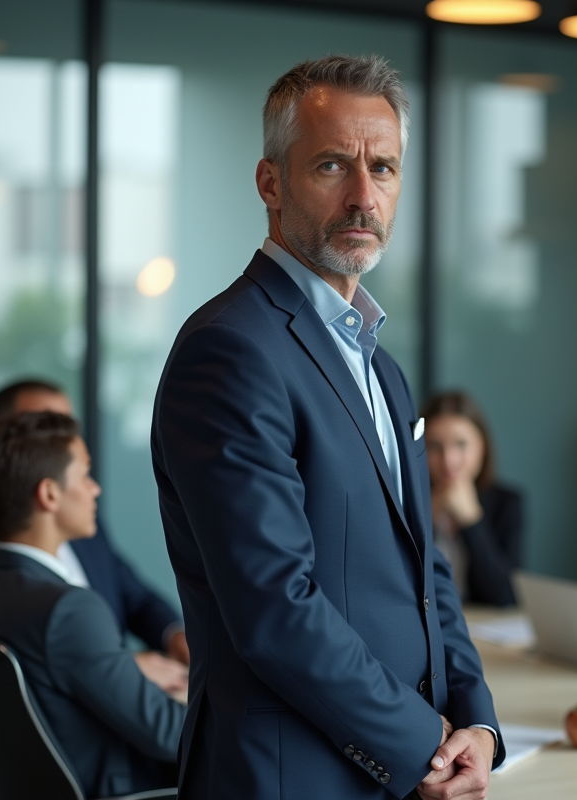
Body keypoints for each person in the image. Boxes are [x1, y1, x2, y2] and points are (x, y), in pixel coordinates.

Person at [151, 55, 503, 800]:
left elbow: (425, 573)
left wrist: (477, 723)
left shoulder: (381, 366)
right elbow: (274, 608)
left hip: (396, 769)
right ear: (270, 182)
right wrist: (421, 745)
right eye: (332, 165)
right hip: (290, 777)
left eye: (384, 168)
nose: (363, 196)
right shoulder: (231, 350)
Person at [0, 411, 185, 799]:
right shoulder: (70, 609)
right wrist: (207, 694)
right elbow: (170, 734)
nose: (95, 489)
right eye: (84, 475)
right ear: (49, 495)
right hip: (118, 788)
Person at [0, 378, 188, 694]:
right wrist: (121, 667)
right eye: (44, 425)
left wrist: (174, 636)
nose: (61, 438)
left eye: (67, 426)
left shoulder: (82, 523)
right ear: (5, 435)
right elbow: (3, 646)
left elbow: (134, 596)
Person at [421, 391, 523, 607]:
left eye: (461, 444)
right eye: (435, 446)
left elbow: (506, 596)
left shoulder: (507, 503)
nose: (449, 460)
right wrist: (426, 521)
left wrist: (471, 520)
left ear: (482, 447)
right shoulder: (408, 501)